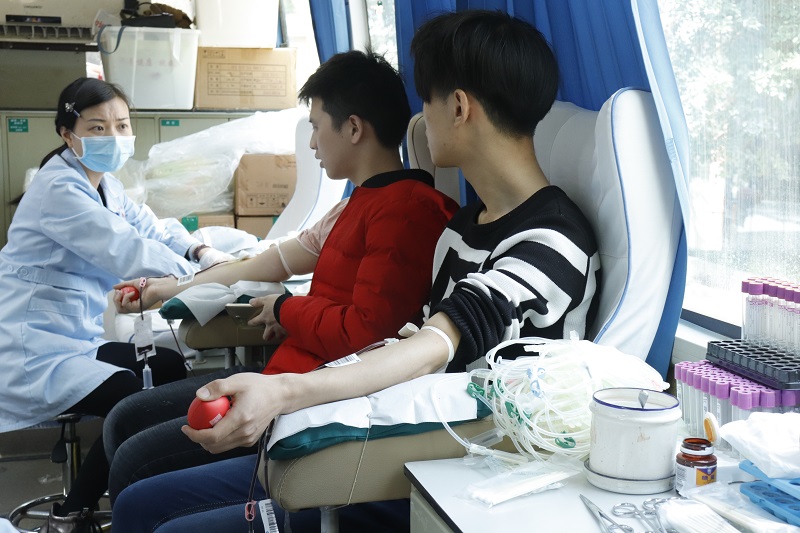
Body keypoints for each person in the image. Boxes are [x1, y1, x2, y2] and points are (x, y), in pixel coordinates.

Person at [111, 10, 601, 532]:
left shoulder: (551, 241)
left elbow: (432, 345)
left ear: (458, 108)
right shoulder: (464, 226)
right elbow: (406, 339)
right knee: (143, 500)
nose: (419, 120)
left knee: (150, 508)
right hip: (398, 431)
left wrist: (284, 392)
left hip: (455, 470)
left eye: (427, 102)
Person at [103, 49, 458, 506]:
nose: (311, 144)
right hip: (285, 373)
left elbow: (366, 335)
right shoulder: (355, 206)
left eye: (315, 126)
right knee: (125, 419)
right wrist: (179, 289)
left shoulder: (407, 211)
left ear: (353, 128)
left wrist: (287, 309)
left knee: (136, 462)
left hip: (309, 402)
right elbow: (282, 270)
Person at [0, 77, 221, 531]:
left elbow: (151, 227)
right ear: (68, 134)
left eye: (121, 125)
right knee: (131, 397)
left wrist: (200, 251)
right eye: (97, 128)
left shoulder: (105, 186)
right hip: (31, 349)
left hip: (72, 340)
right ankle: (74, 512)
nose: (114, 137)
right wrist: (208, 277)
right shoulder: (59, 190)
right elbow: (125, 248)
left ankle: (134, 486)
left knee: (167, 369)